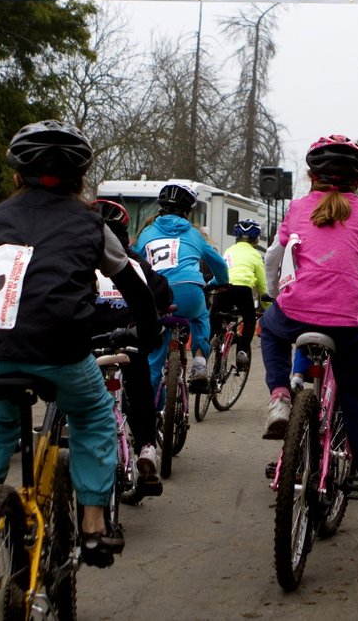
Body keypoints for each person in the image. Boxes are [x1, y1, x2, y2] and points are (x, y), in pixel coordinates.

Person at [0, 120, 160, 577]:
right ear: (79, 179)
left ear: (17, 175)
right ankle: (93, 525)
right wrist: (151, 332)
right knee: (94, 415)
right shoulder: (91, 223)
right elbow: (132, 284)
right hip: (59, 347)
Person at [261, 134, 358, 558]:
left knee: (270, 328)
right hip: (348, 323)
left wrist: (272, 295)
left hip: (296, 313)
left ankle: (281, 397)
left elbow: (271, 259)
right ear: (357, 180)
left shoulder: (298, 209)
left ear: (311, 175)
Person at [90, 197, 173, 497]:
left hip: (88, 343)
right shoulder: (134, 262)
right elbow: (161, 292)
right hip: (127, 341)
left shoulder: (79, 257)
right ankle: (147, 447)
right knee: (140, 385)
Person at [134, 181, 228, 394]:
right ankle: (199, 362)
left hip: (157, 296)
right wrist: (218, 282)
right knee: (201, 315)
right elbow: (220, 265)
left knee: (155, 359)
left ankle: (151, 411)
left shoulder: (146, 233)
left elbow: (133, 262)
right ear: (188, 212)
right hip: (190, 294)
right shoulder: (195, 234)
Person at [219, 218, 267, 371]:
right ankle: (242, 351)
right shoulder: (255, 255)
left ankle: (216, 344)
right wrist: (267, 305)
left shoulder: (228, 250)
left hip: (224, 288)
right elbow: (261, 284)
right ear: (256, 239)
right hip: (243, 290)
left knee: (218, 319)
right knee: (249, 321)